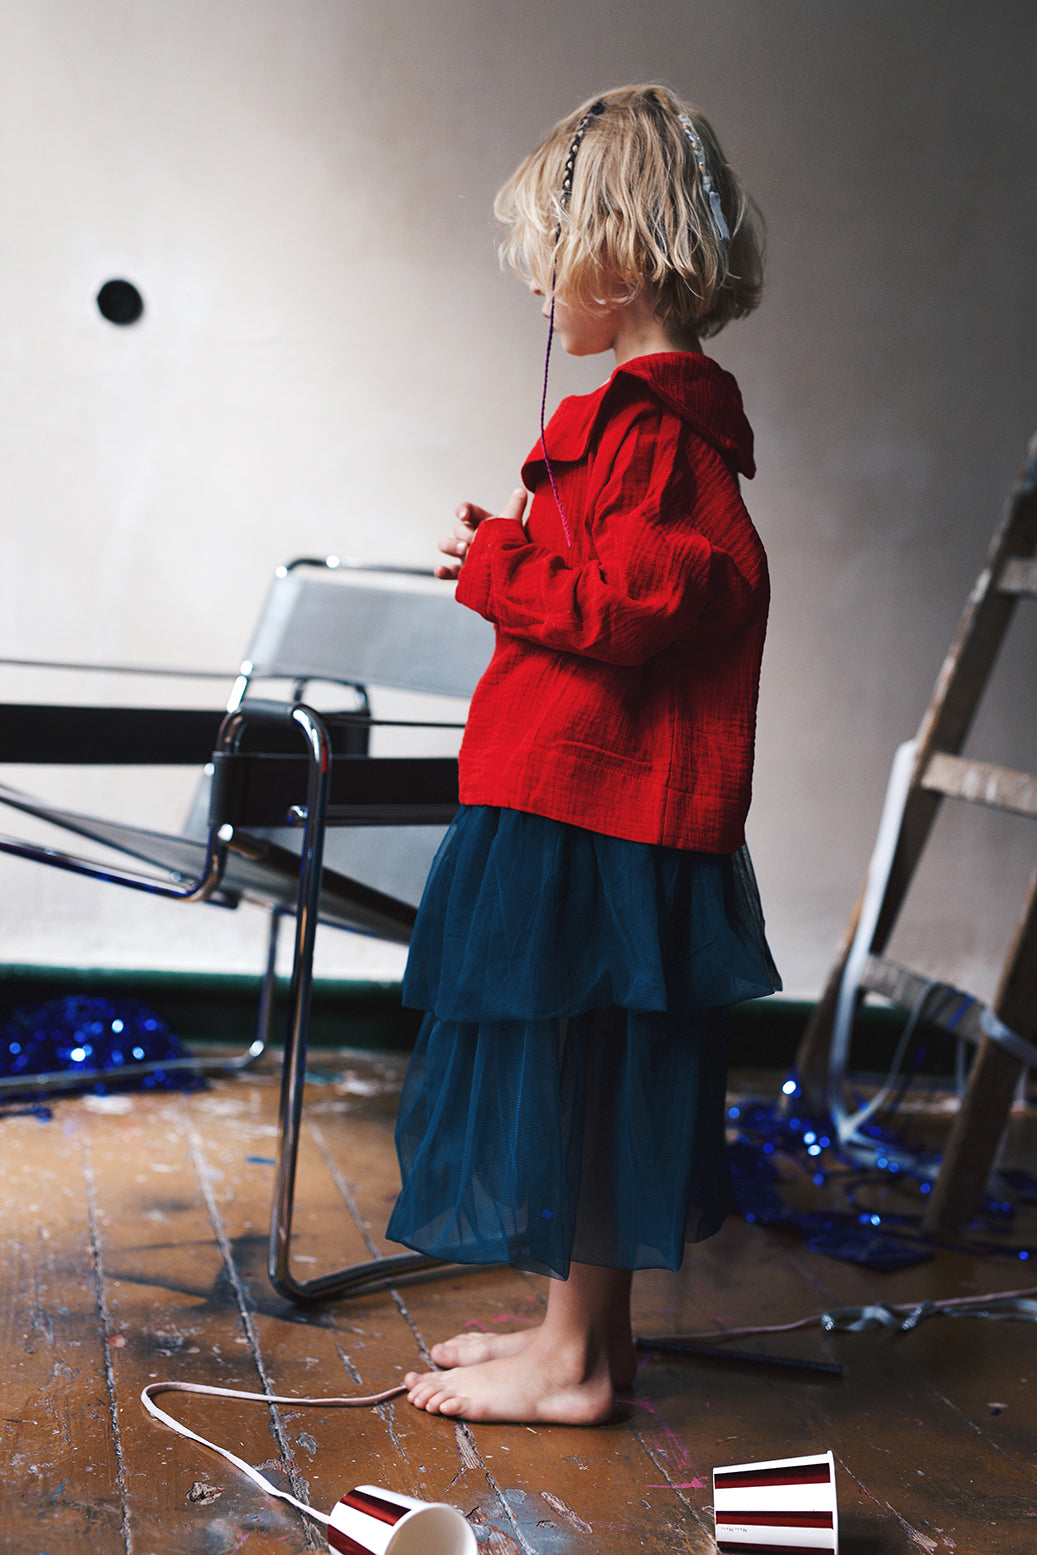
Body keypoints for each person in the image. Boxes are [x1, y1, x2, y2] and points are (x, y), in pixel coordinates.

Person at [385, 83, 780, 1425]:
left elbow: (628, 610)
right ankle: (581, 1338)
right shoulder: (640, 425)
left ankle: (573, 1362)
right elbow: (616, 589)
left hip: (603, 823)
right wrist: (525, 555)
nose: (539, 296)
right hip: (584, 808)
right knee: (582, 1066)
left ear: (614, 258)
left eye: (549, 267)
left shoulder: (659, 435)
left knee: (592, 1069)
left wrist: (498, 563)